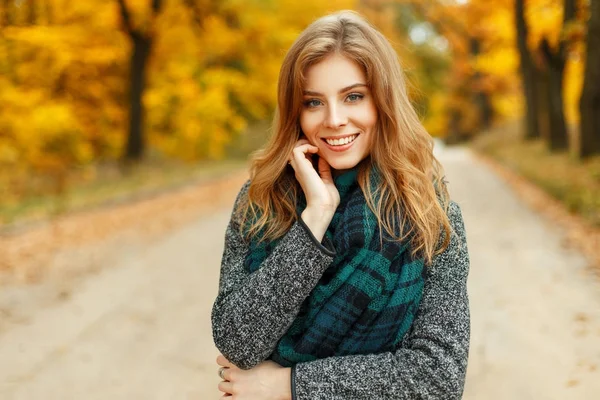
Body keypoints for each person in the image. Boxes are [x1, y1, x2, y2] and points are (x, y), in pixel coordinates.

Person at [211, 10, 470, 400]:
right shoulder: (262, 201)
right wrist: (313, 219)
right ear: (295, 111)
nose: (334, 120)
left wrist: (287, 385)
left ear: (382, 101)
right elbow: (238, 340)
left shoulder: (430, 213)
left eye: (353, 96)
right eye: (313, 102)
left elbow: (437, 376)